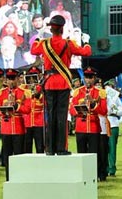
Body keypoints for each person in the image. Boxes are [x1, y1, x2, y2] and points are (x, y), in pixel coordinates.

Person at [30, 14, 91, 155]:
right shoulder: (68, 43)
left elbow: (33, 50)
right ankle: (61, 148)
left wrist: (38, 36)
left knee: (50, 116)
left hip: (49, 83)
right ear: (62, 29)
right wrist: (85, 41)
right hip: (63, 82)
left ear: (51, 30)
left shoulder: (44, 43)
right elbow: (86, 52)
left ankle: (50, 149)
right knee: (61, 117)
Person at [69, 67, 108, 180]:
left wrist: (92, 105)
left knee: (94, 154)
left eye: (90, 77)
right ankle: (83, 176)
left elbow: (104, 111)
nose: (88, 80)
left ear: (94, 78)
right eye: (86, 77)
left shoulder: (101, 93)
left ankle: (94, 176)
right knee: (81, 153)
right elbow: (71, 109)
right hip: (80, 127)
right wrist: (78, 111)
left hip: (94, 127)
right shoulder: (77, 91)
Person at [0, 69, 29, 181]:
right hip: (6, 129)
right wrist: (4, 110)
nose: (11, 81)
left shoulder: (24, 92)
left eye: (13, 78)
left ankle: (20, 179)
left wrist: (16, 107)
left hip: (19, 129)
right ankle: (9, 179)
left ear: (17, 79)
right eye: (9, 79)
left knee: (19, 156)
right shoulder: (0, 93)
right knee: (7, 157)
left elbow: (28, 109)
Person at [105, 81, 122, 177]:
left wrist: (113, 110)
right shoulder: (100, 96)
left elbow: (121, 111)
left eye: (111, 86)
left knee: (112, 148)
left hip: (113, 124)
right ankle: (104, 168)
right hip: (102, 125)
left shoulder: (116, 98)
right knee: (103, 148)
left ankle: (112, 169)